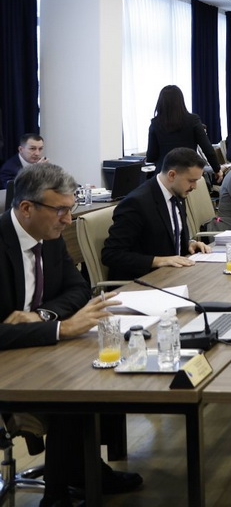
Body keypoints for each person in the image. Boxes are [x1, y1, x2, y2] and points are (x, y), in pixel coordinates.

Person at [1, 163, 142, 504]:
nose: (68, 219)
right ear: (26, 208)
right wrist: (60, 327)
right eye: (61, 210)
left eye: (71, 208)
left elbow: (78, 289)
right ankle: (58, 494)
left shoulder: (48, 237)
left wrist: (43, 316)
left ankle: (81, 472)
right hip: (7, 358)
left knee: (98, 370)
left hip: (34, 345)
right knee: (72, 390)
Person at [101, 147, 212, 281]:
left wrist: (188, 244)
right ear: (172, 175)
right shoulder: (136, 203)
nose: (195, 187)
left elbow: (166, 237)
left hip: (174, 275)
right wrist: (159, 260)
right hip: (144, 280)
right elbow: (111, 254)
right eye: (191, 181)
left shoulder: (177, 194)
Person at [145, 85, 221, 178]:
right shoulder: (193, 120)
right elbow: (207, 148)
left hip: (165, 174)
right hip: (188, 172)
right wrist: (217, 169)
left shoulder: (155, 124)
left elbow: (151, 156)